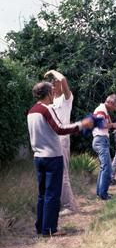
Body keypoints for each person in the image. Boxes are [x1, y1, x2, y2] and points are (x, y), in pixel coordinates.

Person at [27, 81, 93, 236]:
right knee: (52, 194)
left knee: (43, 194)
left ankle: (40, 227)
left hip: (38, 157)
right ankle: (50, 229)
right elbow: (60, 129)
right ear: (48, 93)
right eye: (52, 92)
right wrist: (81, 124)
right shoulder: (46, 109)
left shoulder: (32, 111)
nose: (54, 94)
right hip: (52, 157)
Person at [44, 69, 76, 216]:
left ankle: (69, 206)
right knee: (54, 173)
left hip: (62, 139)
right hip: (51, 140)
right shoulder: (50, 102)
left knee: (63, 173)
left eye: (55, 82)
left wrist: (52, 71)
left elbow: (63, 80)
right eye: (51, 82)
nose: (53, 83)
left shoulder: (66, 99)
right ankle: (60, 203)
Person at [92, 94, 116, 200]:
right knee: (107, 168)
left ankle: (101, 192)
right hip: (100, 140)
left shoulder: (103, 110)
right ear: (111, 103)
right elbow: (101, 125)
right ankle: (103, 194)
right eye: (115, 106)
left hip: (100, 140)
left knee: (104, 168)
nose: (115, 108)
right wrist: (113, 125)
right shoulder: (101, 110)